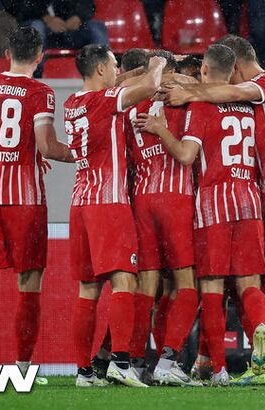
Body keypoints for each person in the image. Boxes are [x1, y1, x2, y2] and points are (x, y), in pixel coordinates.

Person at [163, 35, 265, 387]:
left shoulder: (261, 85)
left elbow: (224, 95)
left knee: (254, 281)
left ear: (236, 66)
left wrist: (188, 93)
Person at [136, 43, 265, 387]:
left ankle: (219, 369)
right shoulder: (249, 103)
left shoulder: (201, 106)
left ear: (205, 70)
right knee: (249, 283)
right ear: (234, 69)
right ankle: (260, 331)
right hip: (249, 198)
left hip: (214, 201)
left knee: (211, 288)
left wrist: (160, 129)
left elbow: (185, 155)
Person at [0, 27, 74, 384]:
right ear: (40, 56)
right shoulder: (40, 92)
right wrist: (85, 153)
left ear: (7, 53)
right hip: (24, 202)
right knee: (29, 284)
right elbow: (47, 146)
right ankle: (23, 367)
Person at [65, 45, 167, 388]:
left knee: (88, 290)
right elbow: (150, 85)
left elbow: (119, 83)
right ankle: (121, 363)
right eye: (112, 65)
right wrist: (157, 64)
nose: (116, 71)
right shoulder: (104, 101)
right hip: (108, 202)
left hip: (80, 203)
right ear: (99, 70)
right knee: (126, 281)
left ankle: (83, 371)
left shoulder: (72, 103)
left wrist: (130, 73)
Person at [122, 50, 198, 386]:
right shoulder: (181, 97)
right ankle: (168, 361)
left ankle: (135, 362)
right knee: (186, 283)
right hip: (175, 197)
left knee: (147, 285)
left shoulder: (129, 104)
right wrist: (177, 74)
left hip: (142, 198)